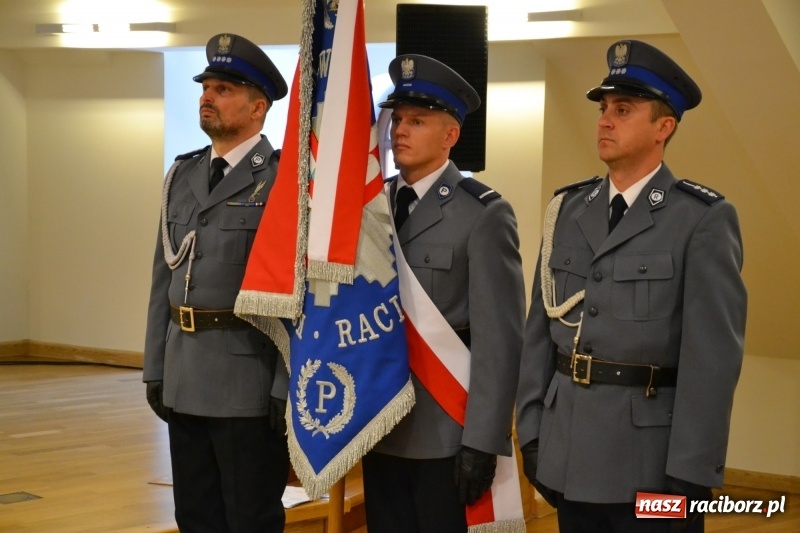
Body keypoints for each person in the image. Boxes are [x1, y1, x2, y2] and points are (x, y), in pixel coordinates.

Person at [516, 39, 747, 532]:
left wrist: (691, 471)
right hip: (568, 454)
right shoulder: (567, 210)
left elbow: (713, 361)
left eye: (623, 109)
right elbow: (540, 329)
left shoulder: (700, 219)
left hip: (652, 466)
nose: (604, 120)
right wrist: (532, 433)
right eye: (603, 108)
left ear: (664, 127)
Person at [362, 54, 526, 533]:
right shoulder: (371, 205)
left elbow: (501, 340)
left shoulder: (483, 214)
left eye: (418, 121)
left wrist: (484, 439)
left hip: (445, 426)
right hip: (379, 420)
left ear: (450, 136)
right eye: (397, 119)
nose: (399, 131)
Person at [143, 33, 291, 533]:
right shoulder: (182, 174)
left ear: (258, 107)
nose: (208, 96)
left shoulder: (282, 181)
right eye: (206, 86)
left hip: (245, 382)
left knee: (250, 519)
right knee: (196, 518)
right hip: (184, 378)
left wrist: (285, 386)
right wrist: (154, 368)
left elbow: (299, 296)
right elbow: (162, 279)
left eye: (224, 88)